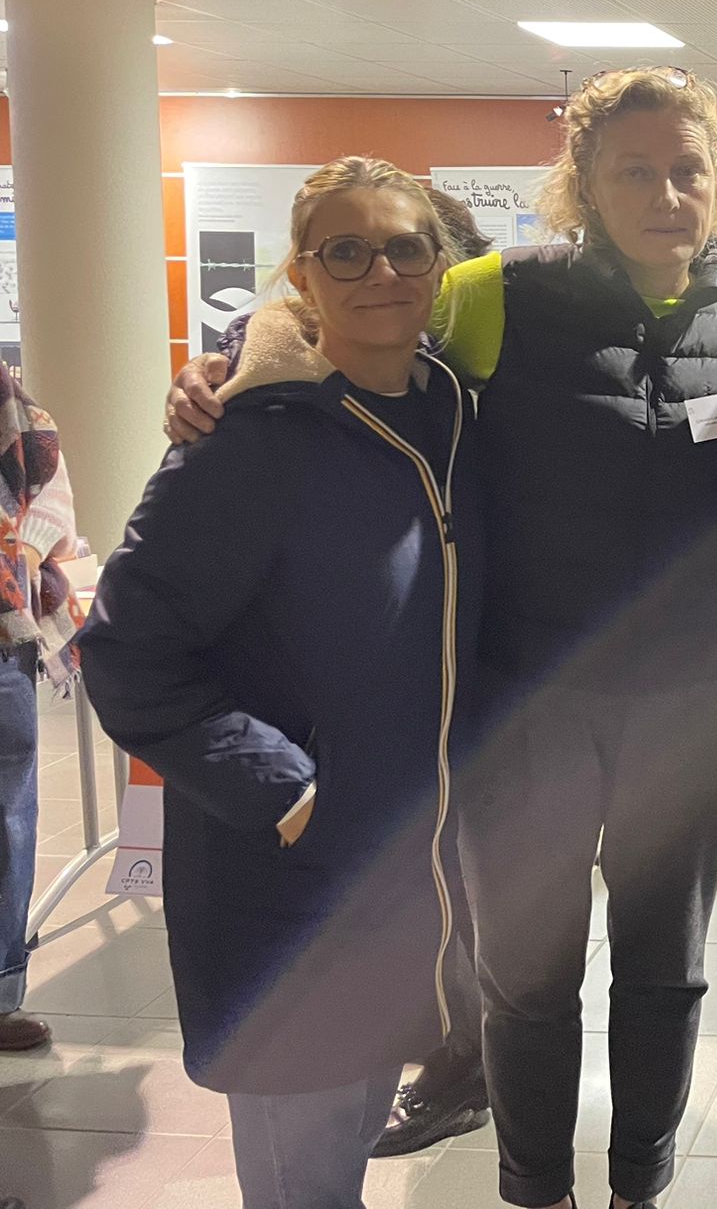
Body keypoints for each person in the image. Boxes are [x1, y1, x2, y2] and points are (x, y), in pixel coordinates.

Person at [170, 69, 717, 1209]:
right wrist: (229, 365)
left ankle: (639, 1186)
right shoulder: (493, 294)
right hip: (525, 703)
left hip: (694, 708)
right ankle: (536, 1188)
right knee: (526, 974)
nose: (666, 193)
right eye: (635, 171)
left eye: (687, 169)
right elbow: (338, 326)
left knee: (667, 971)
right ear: (584, 184)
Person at [80, 157, 477, 1209]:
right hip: (287, 871)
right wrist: (283, 788)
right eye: (345, 251)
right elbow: (124, 649)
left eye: (404, 247)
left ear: (439, 265)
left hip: (402, 861)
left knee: (350, 1140)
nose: (380, 271)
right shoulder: (244, 440)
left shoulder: (450, 416)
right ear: (299, 275)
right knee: (304, 1176)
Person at [0, 386, 84, 1054]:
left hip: (4, 633)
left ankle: (0, 993)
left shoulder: (24, 415)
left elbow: (52, 501)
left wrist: (18, 560)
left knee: (7, 816)